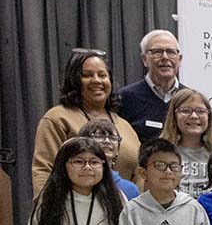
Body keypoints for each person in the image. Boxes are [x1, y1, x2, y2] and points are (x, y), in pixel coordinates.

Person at [32, 49, 141, 196]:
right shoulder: (57, 118)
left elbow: (139, 175)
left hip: (123, 210)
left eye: (102, 75)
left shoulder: (124, 126)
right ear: (74, 80)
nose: (97, 80)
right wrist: (48, 209)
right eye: (87, 75)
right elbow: (44, 170)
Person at [119, 30, 185, 143]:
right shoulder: (124, 98)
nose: (165, 57)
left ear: (179, 59)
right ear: (144, 59)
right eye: (157, 52)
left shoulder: (190, 98)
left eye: (170, 52)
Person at [160, 88, 212, 199]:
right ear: (174, 115)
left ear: (209, 115)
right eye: (186, 110)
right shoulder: (160, 152)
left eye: (200, 111)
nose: (194, 116)